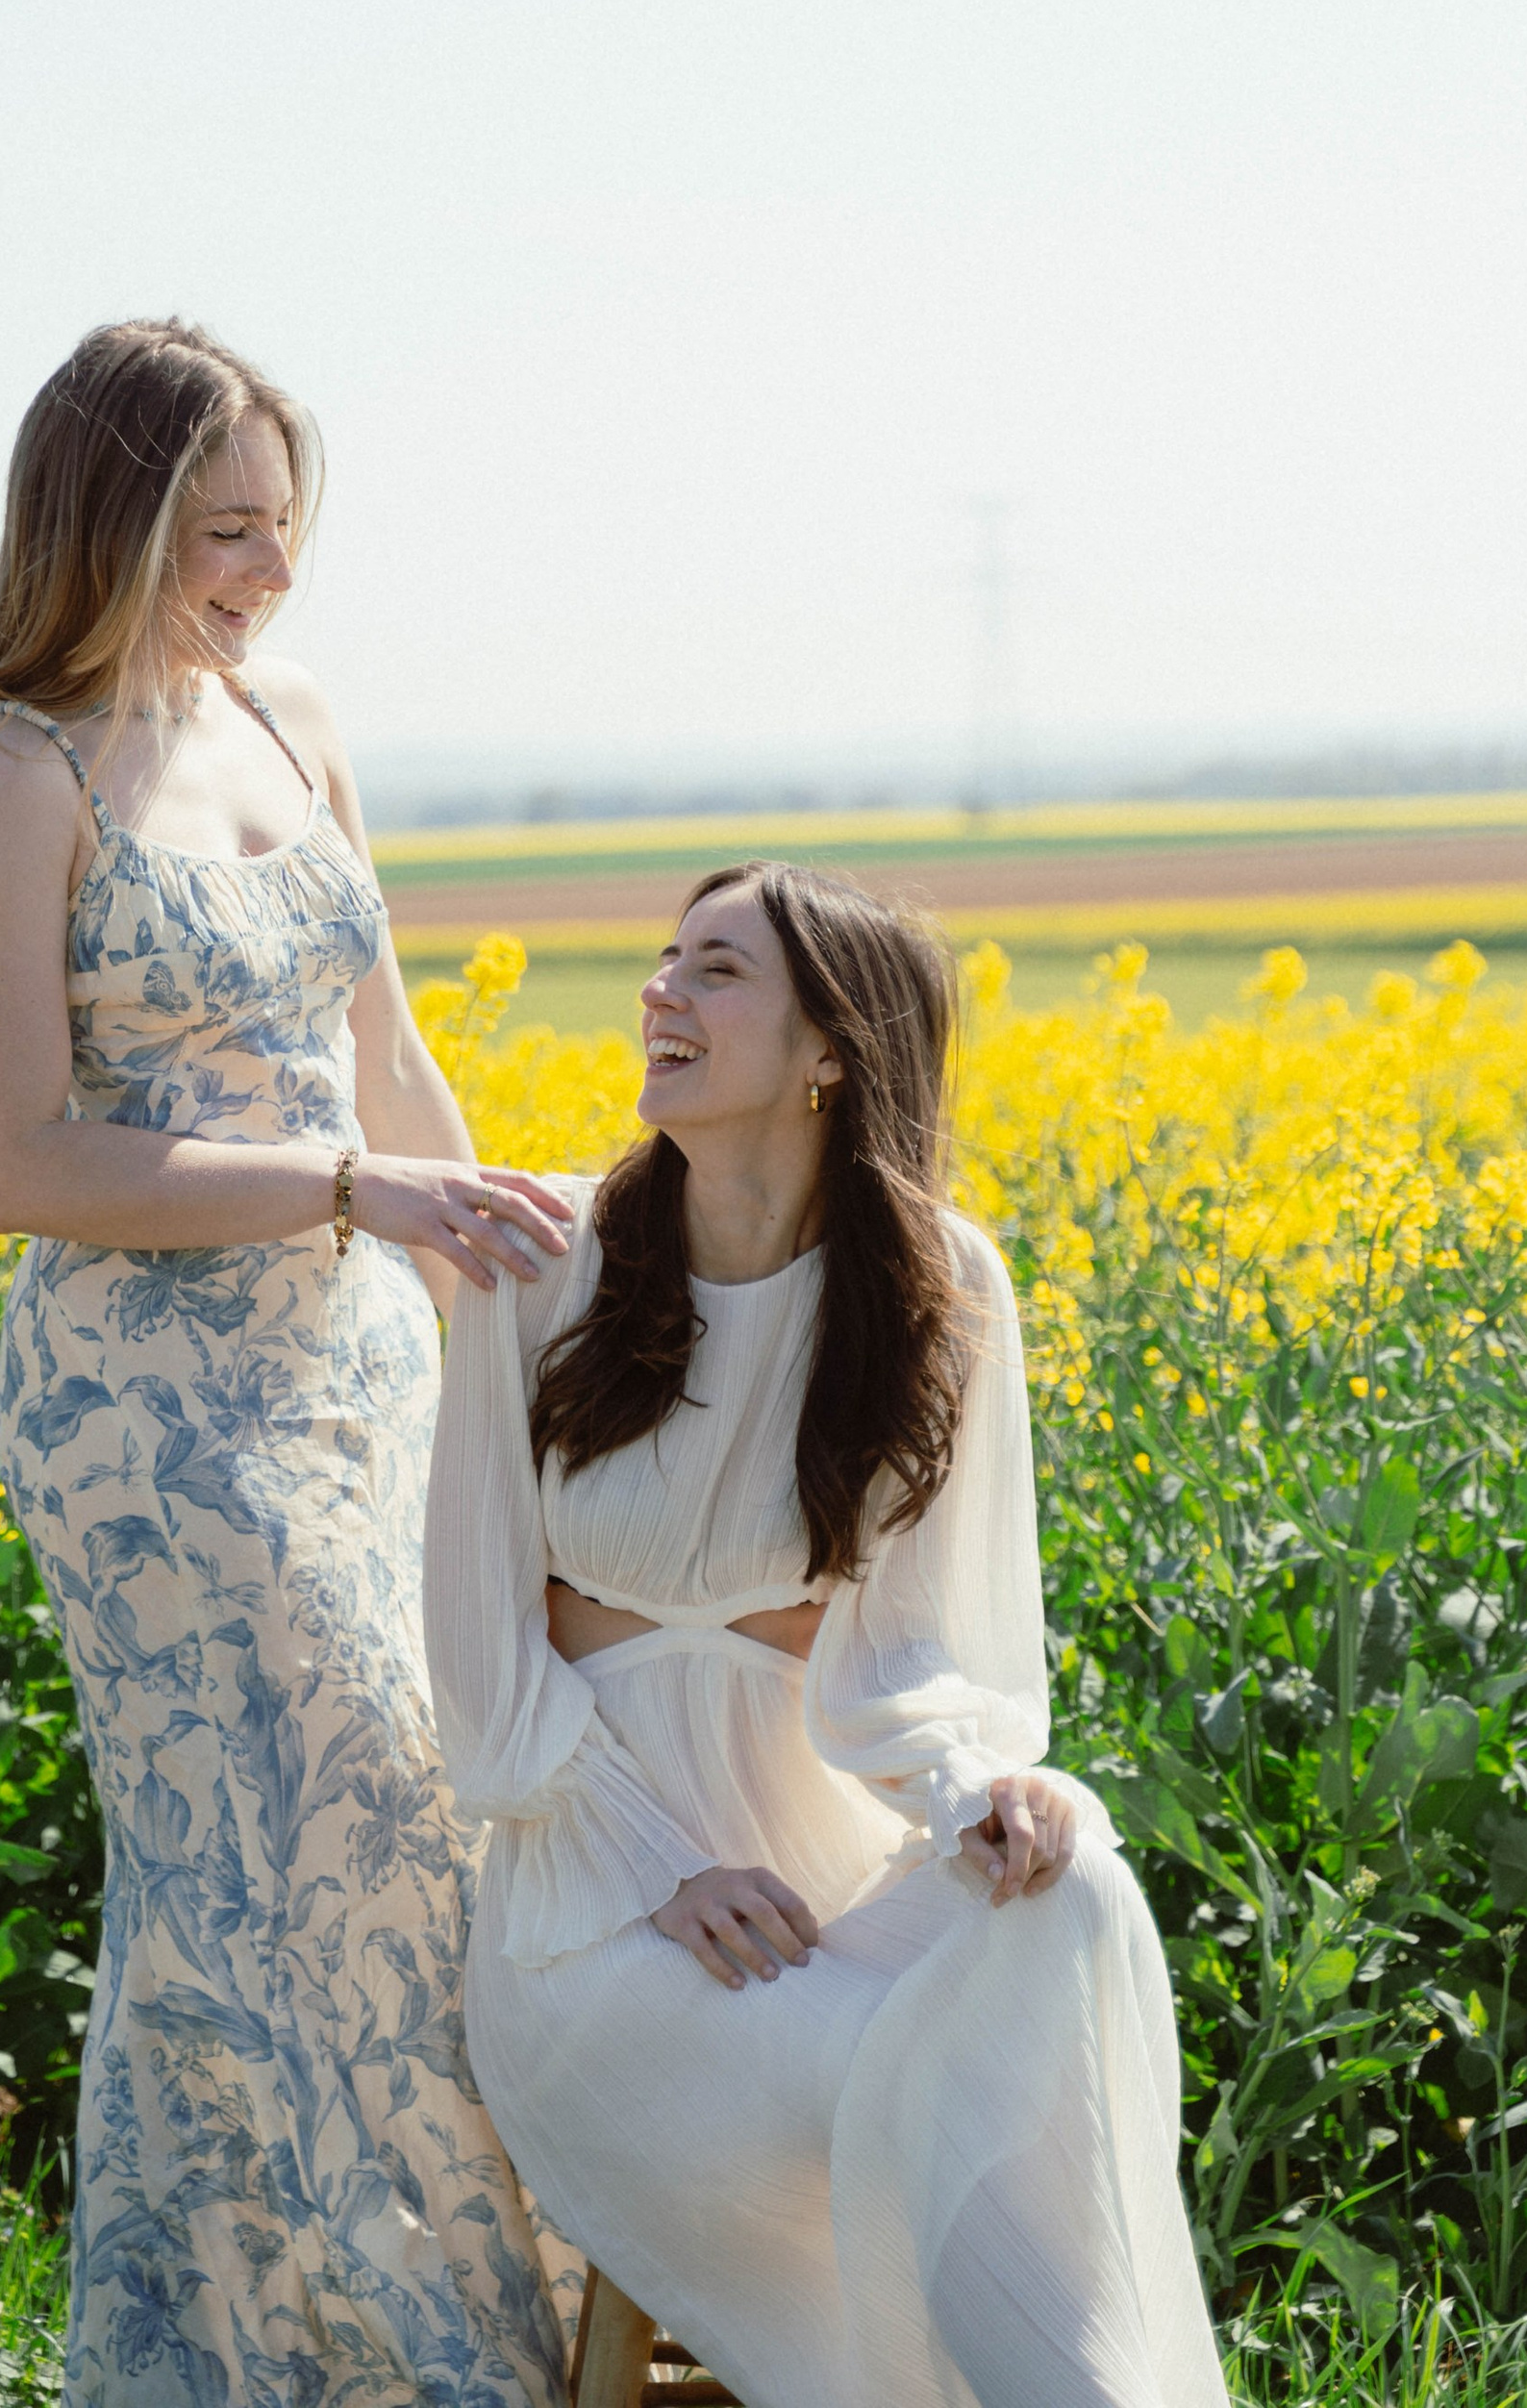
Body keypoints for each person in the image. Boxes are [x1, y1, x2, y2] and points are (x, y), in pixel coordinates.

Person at [0, 314, 573, 2408]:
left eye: (280, 529)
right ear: (99, 522)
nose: (263, 574)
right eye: (219, 531)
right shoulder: (8, 783)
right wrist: (348, 1190)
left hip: (360, 1371)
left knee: (418, 1833)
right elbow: (12, 1162)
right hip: (151, 1415)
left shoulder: (291, 718)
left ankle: (290, 2356)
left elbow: (390, 1060)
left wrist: (518, 1314)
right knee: (295, 1853)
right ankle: (422, 2359)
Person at [423, 860, 1230, 2408]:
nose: (660, 992)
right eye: (664, 960)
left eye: (715, 970)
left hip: (823, 1882)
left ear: (830, 1052)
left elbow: (933, 1653)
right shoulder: (541, 1263)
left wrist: (986, 1798)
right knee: (934, 2091)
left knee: (1070, 1896)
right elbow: (477, 1652)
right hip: (598, 1927)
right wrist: (659, 1867)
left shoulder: (942, 1287)